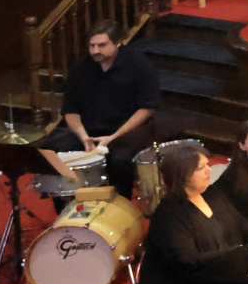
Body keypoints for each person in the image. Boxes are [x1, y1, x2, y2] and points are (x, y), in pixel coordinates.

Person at [36, 19, 164, 198]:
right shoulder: (81, 68)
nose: (95, 51)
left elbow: (146, 109)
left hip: (126, 133)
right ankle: (67, 203)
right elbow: (70, 110)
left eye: (102, 45)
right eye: (92, 45)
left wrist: (113, 137)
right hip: (89, 132)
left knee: (119, 160)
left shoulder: (140, 66)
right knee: (54, 150)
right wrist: (83, 136)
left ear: (117, 43)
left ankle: (120, 204)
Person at [134, 141, 248, 284]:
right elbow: (189, 261)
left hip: (214, 276)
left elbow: (242, 225)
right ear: (183, 175)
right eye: (201, 168)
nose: (209, 170)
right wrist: (238, 252)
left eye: (207, 165)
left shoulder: (212, 194)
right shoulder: (168, 215)